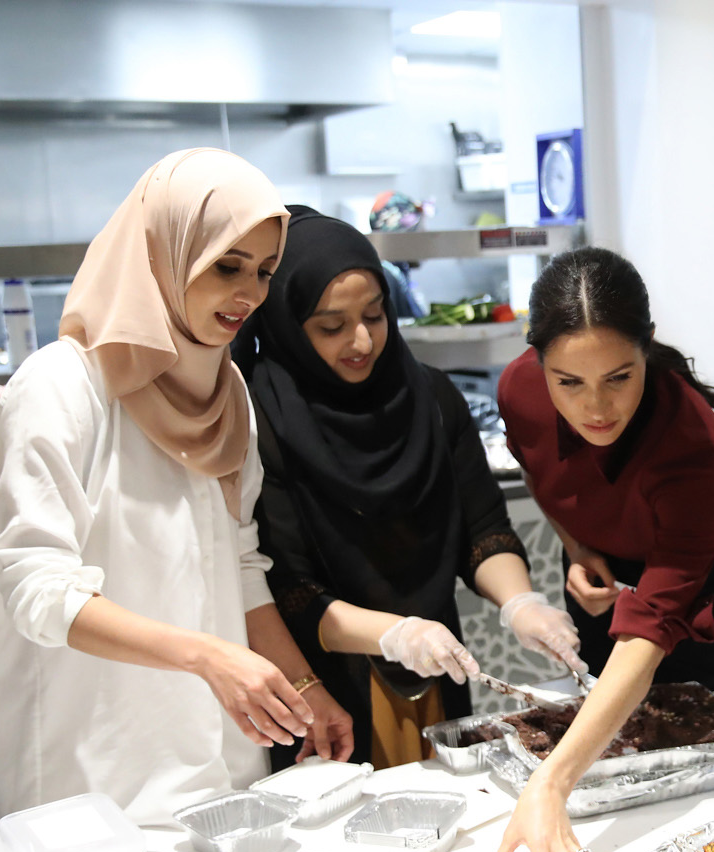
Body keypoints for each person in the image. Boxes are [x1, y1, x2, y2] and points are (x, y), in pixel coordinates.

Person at [0, 149, 355, 827]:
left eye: (264, 272)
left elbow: (238, 564)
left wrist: (303, 687)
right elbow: (38, 591)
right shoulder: (62, 389)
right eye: (226, 266)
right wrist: (205, 654)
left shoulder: (227, 391)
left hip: (214, 763)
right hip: (88, 779)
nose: (249, 295)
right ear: (163, 251)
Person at [485, 246, 714, 852]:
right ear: (538, 364)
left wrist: (550, 783)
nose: (596, 407)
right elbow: (542, 471)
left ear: (648, 348)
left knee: (695, 743)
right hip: (615, 564)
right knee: (619, 731)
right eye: (569, 383)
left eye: (619, 377)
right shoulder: (519, 391)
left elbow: (648, 637)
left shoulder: (695, 449)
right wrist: (578, 548)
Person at [233, 208, 583, 770]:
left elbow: (483, 530)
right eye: (330, 326)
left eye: (376, 314)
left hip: (434, 672)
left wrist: (520, 602)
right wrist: (395, 634)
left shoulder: (432, 400)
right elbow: (287, 588)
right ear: (285, 324)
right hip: (322, 686)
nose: (362, 340)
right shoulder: (259, 421)